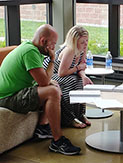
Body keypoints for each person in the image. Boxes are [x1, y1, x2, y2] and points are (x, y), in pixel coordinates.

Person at [0, 24, 81, 155]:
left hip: (15, 91)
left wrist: (51, 80)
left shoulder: (32, 49)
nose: (54, 47)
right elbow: (44, 82)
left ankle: (43, 127)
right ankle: (57, 141)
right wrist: (52, 59)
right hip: (7, 97)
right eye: (53, 44)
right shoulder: (30, 52)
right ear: (43, 41)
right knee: (52, 91)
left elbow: (46, 79)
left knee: (54, 85)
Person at [43, 25, 93, 128]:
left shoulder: (82, 49)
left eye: (86, 40)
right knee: (71, 81)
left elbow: (81, 68)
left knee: (79, 80)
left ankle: (80, 114)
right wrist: (78, 67)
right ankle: (69, 118)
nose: (85, 44)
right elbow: (61, 72)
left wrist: (83, 76)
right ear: (74, 42)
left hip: (66, 73)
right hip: (50, 74)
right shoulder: (70, 50)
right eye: (82, 42)